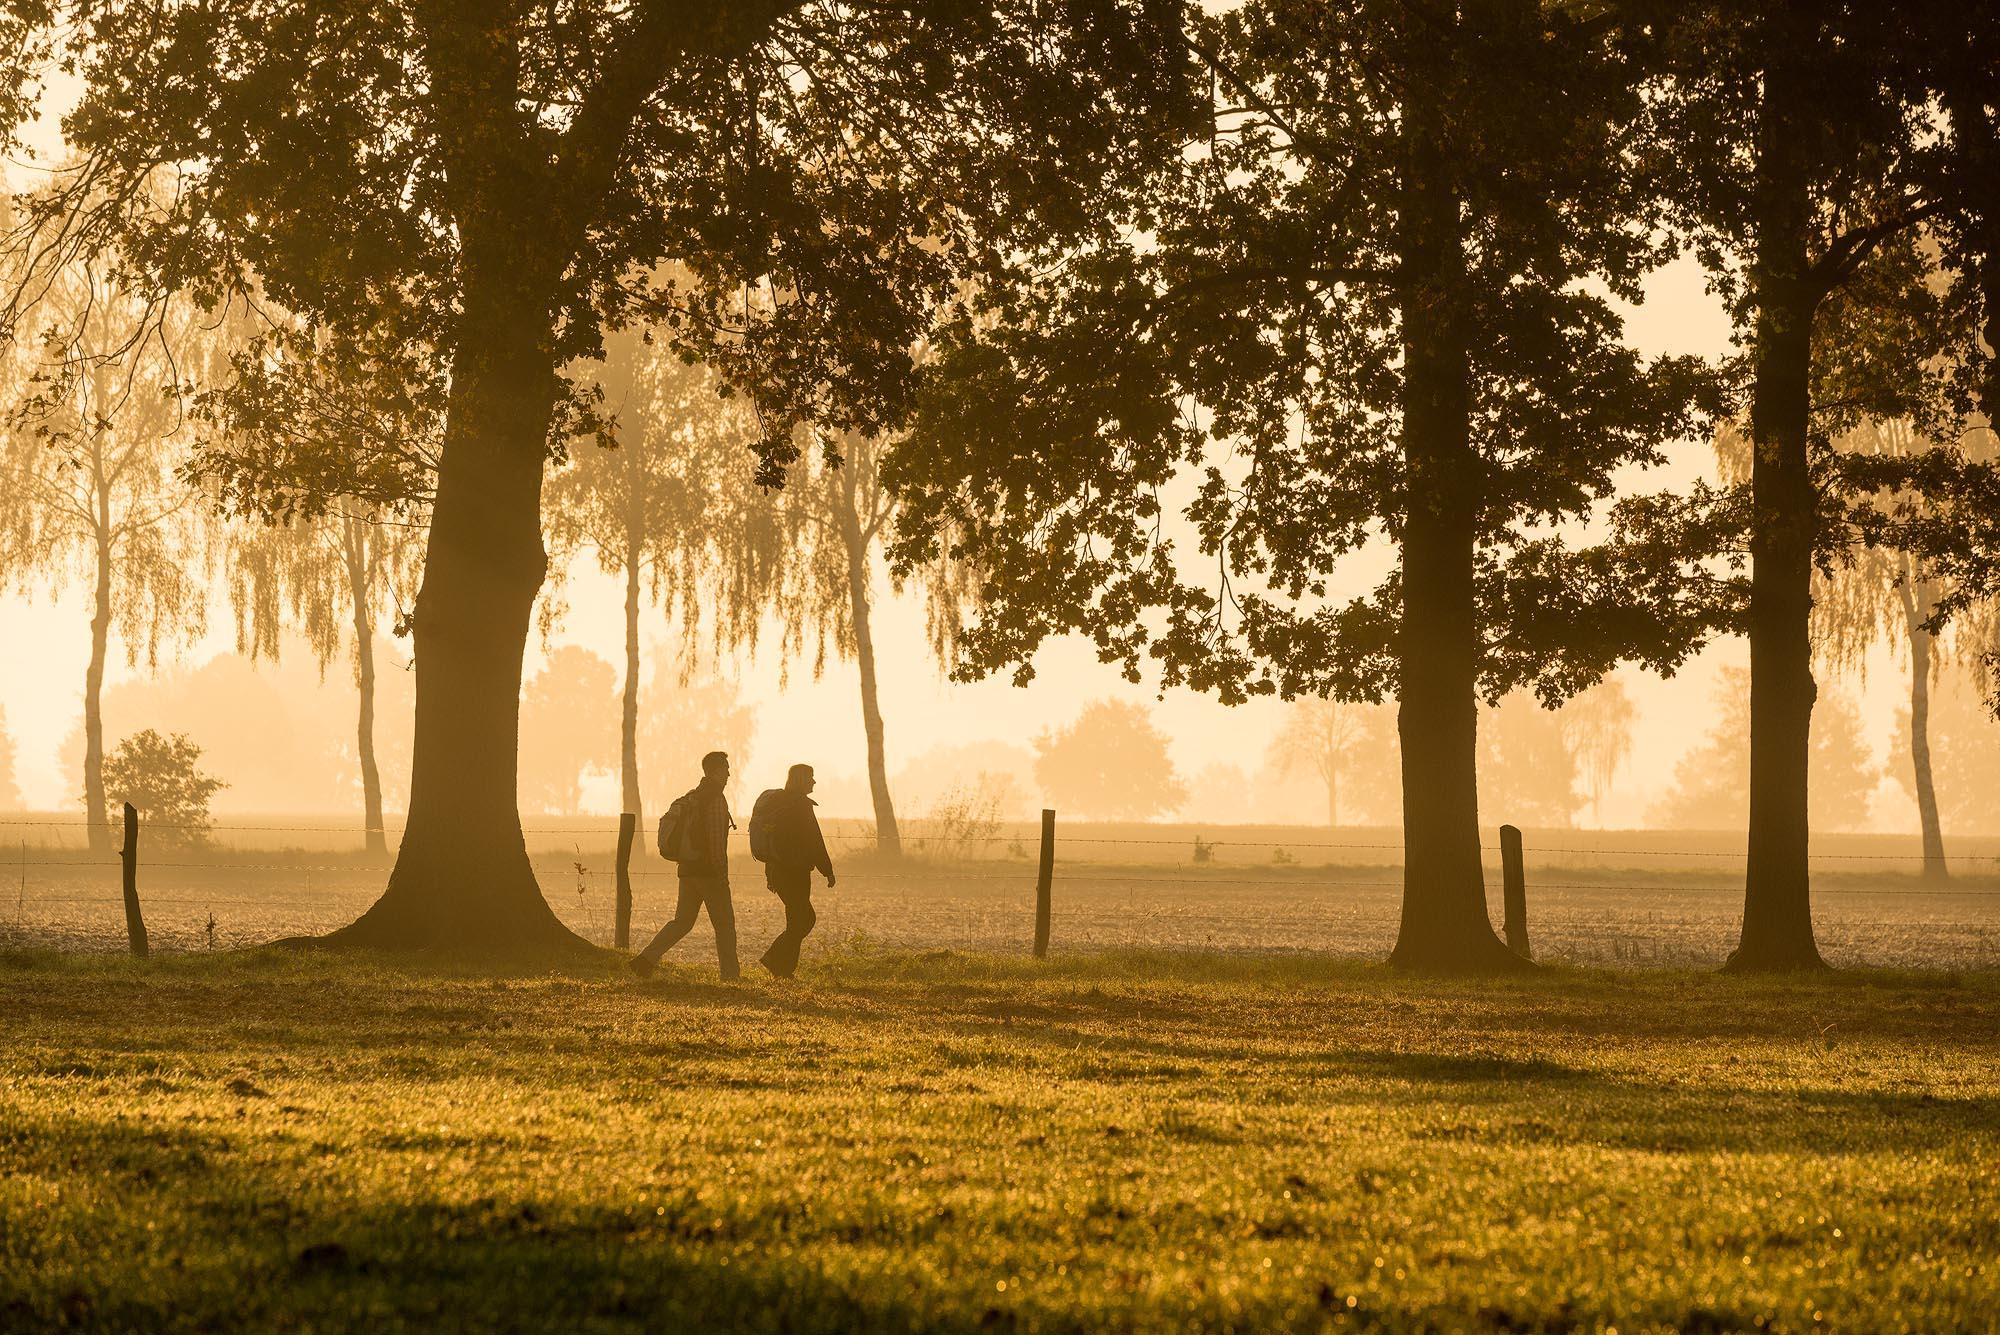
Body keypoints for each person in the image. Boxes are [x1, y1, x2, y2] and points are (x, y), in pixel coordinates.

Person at [631, 751, 738, 981]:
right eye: (726, 768)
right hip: (709, 873)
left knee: (682, 922)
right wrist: (722, 875)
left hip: (688, 870)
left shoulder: (693, 796)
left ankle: (645, 960)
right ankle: (731, 977)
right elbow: (716, 842)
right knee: (725, 925)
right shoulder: (716, 799)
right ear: (715, 771)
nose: (729, 773)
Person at [756, 763, 835, 979]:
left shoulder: (778, 803)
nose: (814, 781)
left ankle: (784, 970)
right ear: (801, 780)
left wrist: (769, 871)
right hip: (796, 872)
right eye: (810, 777)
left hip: (778, 870)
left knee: (796, 918)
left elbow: (773, 839)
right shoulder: (801, 805)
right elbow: (815, 841)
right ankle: (774, 959)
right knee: (805, 919)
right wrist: (827, 870)